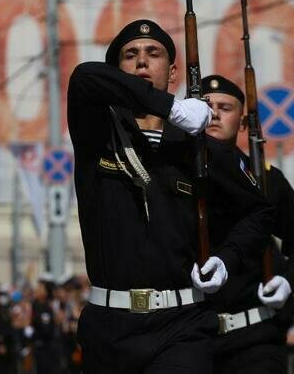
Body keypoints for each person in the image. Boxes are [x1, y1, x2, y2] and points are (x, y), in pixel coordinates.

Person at [67, 19, 274, 373]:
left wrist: (227, 258)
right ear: (117, 72)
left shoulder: (200, 148)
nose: (142, 62)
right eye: (130, 55)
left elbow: (260, 212)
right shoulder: (97, 135)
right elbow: (84, 76)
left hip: (182, 326)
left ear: (173, 72)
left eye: (153, 53)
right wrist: (172, 108)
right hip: (110, 327)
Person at [199, 74, 294, 373]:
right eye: (206, 105)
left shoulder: (267, 180)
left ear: (243, 123)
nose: (214, 113)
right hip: (191, 339)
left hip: (253, 337)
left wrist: (288, 280)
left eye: (225, 107)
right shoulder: (173, 174)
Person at [30, 280, 61, 374]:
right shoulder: (35, 305)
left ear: (46, 292)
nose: (36, 290)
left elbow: (46, 329)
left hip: (45, 348)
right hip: (38, 347)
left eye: (40, 288)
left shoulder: (44, 308)